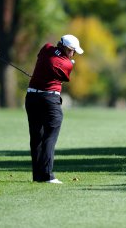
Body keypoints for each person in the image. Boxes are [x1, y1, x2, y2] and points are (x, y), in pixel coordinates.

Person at [25, 34, 84, 184]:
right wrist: (70, 61)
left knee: (36, 136)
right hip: (49, 100)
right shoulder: (67, 65)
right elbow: (64, 76)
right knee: (50, 136)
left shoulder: (46, 48)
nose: (74, 54)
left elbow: (44, 59)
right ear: (66, 48)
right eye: (73, 51)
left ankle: (37, 176)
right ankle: (47, 176)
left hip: (31, 97)